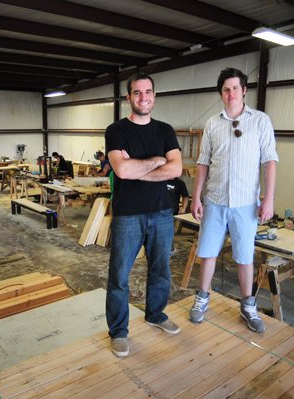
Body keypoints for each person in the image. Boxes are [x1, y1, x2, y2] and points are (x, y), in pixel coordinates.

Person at [189, 67, 278, 333]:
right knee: (207, 253)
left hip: (245, 204)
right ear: (221, 93)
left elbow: (269, 161)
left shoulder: (260, 121)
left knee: (244, 256)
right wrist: (196, 197)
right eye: (226, 89)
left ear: (244, 90)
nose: (230, 93)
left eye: (235, 88)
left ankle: (248, 305)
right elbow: (203, 162)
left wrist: (269, 198)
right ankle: (202, 299)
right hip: (214, 200)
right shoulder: (212, 124)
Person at [105, 72, 183, 357]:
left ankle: (155, 314)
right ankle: (119, 331)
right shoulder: (116, 130)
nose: (143, 97)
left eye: (147, 92)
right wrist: (157, 161)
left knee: (161, 269)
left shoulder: (165, 129)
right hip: (128, 215)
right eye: (137, 93)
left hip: (162, 212)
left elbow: (175, 169)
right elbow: (122, 170)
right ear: (129, 97)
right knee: (120, 276)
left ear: (154, 95)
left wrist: (140, 169)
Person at [167, 177, 189, 256]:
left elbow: (185, 196)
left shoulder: (180, 183)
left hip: (172, 211)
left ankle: (170, 249)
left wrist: (183, 208)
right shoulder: (161, 178)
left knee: (168, 231)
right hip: (158, 211)